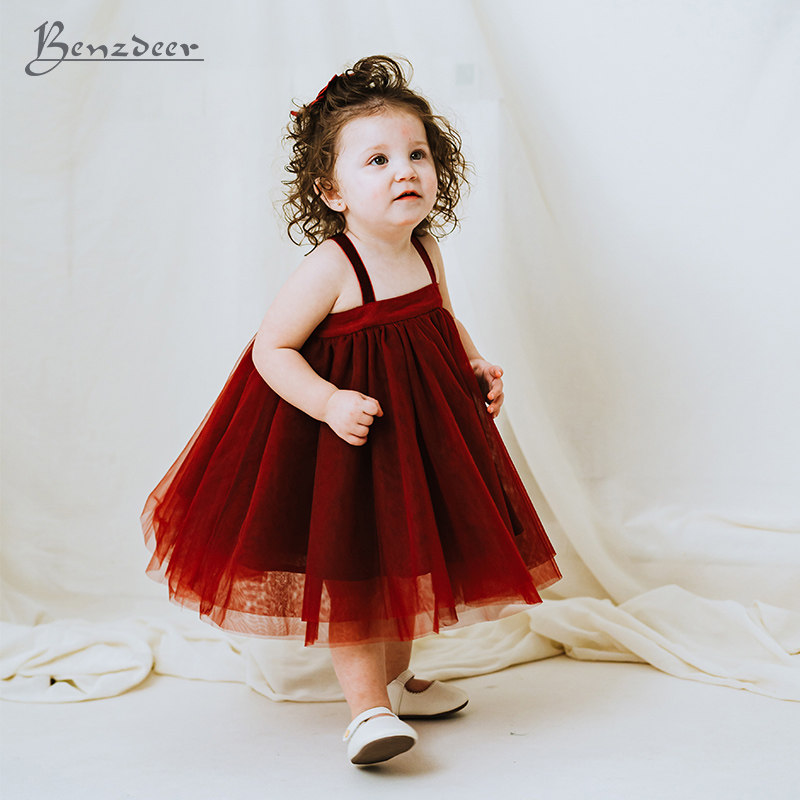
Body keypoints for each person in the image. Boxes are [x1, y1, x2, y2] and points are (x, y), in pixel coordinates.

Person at [141, 54, 561, 766]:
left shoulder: (424, 249)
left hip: (418, 439)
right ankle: (367, 711)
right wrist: (328, 401)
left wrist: (472, 363)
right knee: (357, 573)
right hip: (345, 446)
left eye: (417, 154)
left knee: (412, 560)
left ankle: (399, 681)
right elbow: (271, 349)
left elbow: (442, 319)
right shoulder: (332, 267)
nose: (405, 171)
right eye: (378, 160)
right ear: (331, 190)